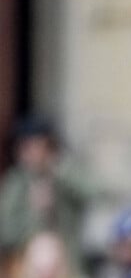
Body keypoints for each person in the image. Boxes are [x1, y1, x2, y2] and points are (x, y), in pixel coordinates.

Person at [0, 115, 98, 278]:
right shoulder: (16, 183)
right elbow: (6, 233)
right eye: (28, 147)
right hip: (26, 265)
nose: (34, 153)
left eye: (40, 147)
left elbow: (95, 192)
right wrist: (34, 212)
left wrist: (59, 169)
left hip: (68, 262)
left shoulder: (65, 174)